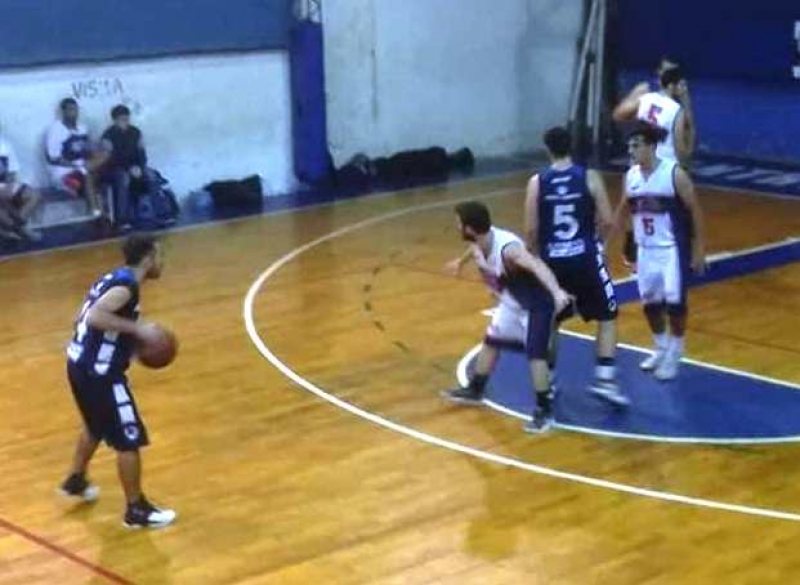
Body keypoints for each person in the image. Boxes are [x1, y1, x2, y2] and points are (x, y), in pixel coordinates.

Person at [58, 233, 177, 529]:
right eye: (159, 256)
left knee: (95, 425)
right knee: (129, 437)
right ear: (148, 257)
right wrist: (139, 331)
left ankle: (76, 480)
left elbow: (81, 317)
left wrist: (123, 343)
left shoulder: (113, 278)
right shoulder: (126, 286)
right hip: (101, 373)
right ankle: (136, 510)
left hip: (78, 364)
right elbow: (95, 317)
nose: (162, 262)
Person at [442, 201, 572, 433]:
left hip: (536, 304)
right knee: (492, 341)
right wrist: (459, 263)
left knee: (535, 356)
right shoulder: (478, 241)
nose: (456, 227)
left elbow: (537, 265)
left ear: (469, 228)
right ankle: (476, 389)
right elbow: (472, 252)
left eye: (459, 223)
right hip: (513, 301)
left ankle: (545, 410)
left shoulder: (508, 249)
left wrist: (556, 292)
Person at [524, 126, 627, 406]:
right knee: (607, 316)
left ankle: (551, 379)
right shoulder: (589, 177)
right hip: (584, 257)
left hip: (552, 262)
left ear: (547, 148)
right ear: (572, 146)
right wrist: (600, 245)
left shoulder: (537, 182)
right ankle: (605, 379)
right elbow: (607, 220)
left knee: (552, 322)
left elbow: (531, 230)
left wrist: (533, 261)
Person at [615, 122, 705, 381]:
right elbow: (628, 211)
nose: (631, 150)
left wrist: (698, 248)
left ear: (652, 146)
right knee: (649, 305)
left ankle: (675, 352)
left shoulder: (673, 174)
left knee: (675, 305)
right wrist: (627, 243)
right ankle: (661, 347)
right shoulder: (630, 176)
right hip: (646, 251)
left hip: (671, 250)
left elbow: (695, 210)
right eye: (629, 146)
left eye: (636, 145)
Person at [613, 59, 697, 271]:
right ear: (673, 84)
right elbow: (682, 147)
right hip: (664, 167)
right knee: (681, 211)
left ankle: (631, 253)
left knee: (637, 208)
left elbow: (619, 115)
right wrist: (686, 161)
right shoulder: (675, 109)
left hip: (640, 160)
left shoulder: (645, 97)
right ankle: (681, 256)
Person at [45, 97, 107, 217]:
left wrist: (99, 150)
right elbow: (54, 158)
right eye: (70, 110)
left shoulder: (82, 127)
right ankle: (96, 212)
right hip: (64, 171)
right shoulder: (55, 130)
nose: (74, 113)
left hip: (85, 165)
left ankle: (107, 213)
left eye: (76, 109)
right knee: (87, 174)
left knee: (106, 159)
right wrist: (77, 165)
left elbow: (89, 148)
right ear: (63, 112)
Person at [100, 104, 158, 231]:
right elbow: (109, 159)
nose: (125, 122)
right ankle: (123, 220)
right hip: (115, 169)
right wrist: (129, 168)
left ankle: (161, 214)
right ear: (115, 120)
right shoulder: (107, 136)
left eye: (126, 119)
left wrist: (140, 167)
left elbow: (142, 153)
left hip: (135, 167)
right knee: (124, 179)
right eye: (121, 119)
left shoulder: (136, 132)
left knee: (152, 176)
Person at [0, 121, 42, 241]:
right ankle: (20, 229)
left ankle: (14, 228)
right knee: (3, 204)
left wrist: (8, 185)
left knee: (34, 195)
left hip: (4, 184)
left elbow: (12, 170)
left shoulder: (5, 144)